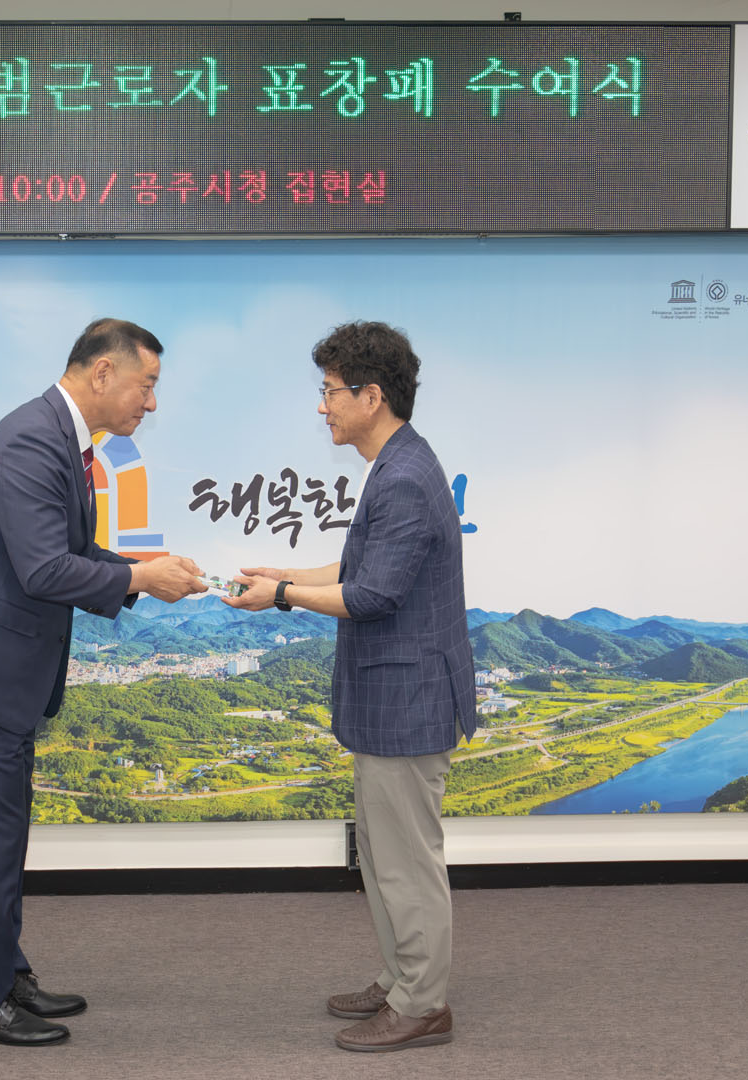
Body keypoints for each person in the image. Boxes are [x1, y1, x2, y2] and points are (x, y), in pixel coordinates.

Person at [0, 317, 206, 1046]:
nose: (152, 403)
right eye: (147, 384)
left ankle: (4, 974)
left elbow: (69, 550)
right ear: (103, 372)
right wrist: (141, 578)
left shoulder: (59, 438)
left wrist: (144, 570)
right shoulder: (32, 441)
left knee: (0, 840)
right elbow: (44, 570)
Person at [225, 321, 476, 1053]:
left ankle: (422, 1004)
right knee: (385, 855)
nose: (322, 405)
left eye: (331, 391)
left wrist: (278, 597)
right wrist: (283, 574)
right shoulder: (400, 464)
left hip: (408, 702)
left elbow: (371, 596)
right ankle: (401, 981)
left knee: (406, 862)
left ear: (372, 396)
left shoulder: (402, 478)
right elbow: (358, 569)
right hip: (394, 699)